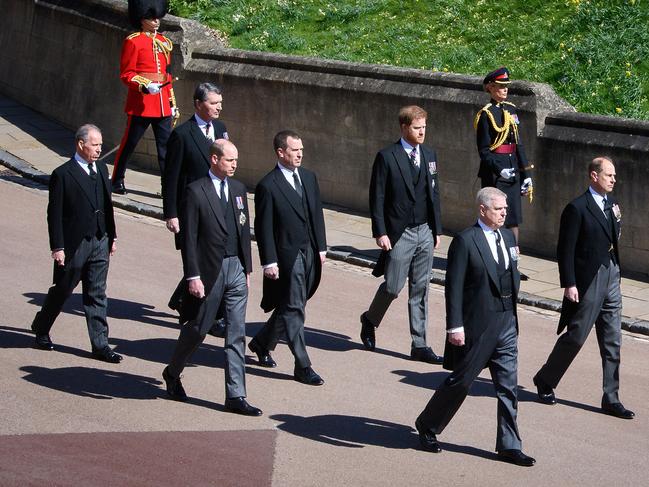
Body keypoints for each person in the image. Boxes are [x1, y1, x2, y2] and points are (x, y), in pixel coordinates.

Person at [415, 187, 535, 467]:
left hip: (506, 321)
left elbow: (511, 272)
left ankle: (509, 445)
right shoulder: (466, 241)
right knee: (462, 382)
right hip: (478, 324)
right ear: (483, 210)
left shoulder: (507, 236)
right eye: (498, 208)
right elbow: (453, 287)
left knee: (508, 387)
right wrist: (454, 326)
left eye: (506, 208)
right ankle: (428, 424)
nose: (505, 212)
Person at [162, 139, 261, 416]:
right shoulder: (195, 191)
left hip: (236, 269)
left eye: (236, 160)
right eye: (230, 160)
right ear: (214, 159)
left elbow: (244, 231)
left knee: (236, 333)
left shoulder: (239, 190)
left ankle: (236, 395)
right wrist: (193, 276)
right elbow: (189, 238)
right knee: (199, 328)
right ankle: (173, 371)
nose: (235, 165)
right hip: (208, 271)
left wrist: (247, 268)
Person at [533, 157, 634, 420]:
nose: (613, 180)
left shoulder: (612, 204)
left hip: (611, 273)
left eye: (614, 176)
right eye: (608, 175)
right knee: (576, 335)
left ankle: (611, 397)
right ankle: (546, 379)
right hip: (589, 278)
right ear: (593, 176)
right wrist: (569, 283)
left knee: (613, 340)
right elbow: (565, 249)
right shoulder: (577, 208)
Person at [30, 124, 122, 364]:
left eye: (101, 144)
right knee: (62, 290)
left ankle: (100, 345)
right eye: (95, 144)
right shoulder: (63, 174)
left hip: (100, 240)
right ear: (81, 144)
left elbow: (107, 205)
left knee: (97, 294)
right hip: (74, 244)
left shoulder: (101, 169)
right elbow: (55, 213)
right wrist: (57, 247)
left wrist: (111, 236)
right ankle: (41, 327)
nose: (99, 149)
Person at [359, 105, 443, 364]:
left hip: (425, 231)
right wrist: (380, 232)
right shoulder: (387, 156)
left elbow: (434, 193)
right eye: (417, 128)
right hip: (400, 233)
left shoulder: (429, 155)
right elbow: (378, 197)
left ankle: (419, 344)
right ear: (405, 127)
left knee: (421, 289)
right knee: (394, 286)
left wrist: (437, 228)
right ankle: (370, 319)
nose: (422, 132)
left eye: (424, 128)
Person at [248, 130, 327, 386]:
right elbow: (264, 228)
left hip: (310, 251)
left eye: (301, 149)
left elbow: (316, 213)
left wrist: (322, 247)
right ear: (281, 152)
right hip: (286, 255)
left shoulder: (308, 177)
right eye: (294, 150)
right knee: (294, 308)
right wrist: (268, 261)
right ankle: (302, 365)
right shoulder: (268, 186)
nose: (300, 153)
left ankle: (262, 343)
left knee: (292, 304)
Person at [163, 83, 228, 328]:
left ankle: (183, 299)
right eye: (213, 103)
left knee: (212, 258)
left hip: (217, 205)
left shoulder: (221, 129)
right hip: (192, 208)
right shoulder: (182, 135)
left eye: (220, 103)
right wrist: (171, 213)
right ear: (198, 104)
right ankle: (200, 315)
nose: (218, 107)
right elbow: (170, 177)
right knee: (203, 260)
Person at [111, 0, 178, 195]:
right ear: (142, 19)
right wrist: (144, 85)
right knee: (129, 144)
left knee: (166, 150)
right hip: (141, 104)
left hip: (162, 105)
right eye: (151, 17)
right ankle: (117, 179)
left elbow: (168, 76)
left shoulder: (165, 43)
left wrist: (171, 102)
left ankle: (168, 188)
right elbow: (127, 73)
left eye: (157, 17)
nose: (156, 21)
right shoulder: (133, 41)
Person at [475, 67, 532, 279]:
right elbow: (483, 150)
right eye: (500, 87)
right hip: (496, 174)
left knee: (513, 219)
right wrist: (500, 169)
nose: (504, 90)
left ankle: (513, 265)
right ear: (490, 88)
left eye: (506, 87)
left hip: (513, 170)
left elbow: (519, 144)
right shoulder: (485, 115)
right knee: (495, 218)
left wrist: (526, 175)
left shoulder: (511, 110)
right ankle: (494, 261)